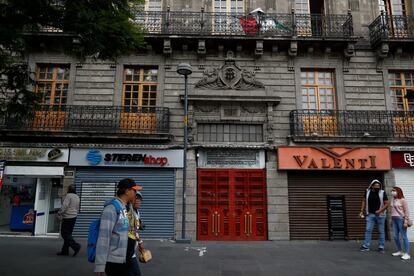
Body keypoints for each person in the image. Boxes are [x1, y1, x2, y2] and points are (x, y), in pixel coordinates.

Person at [95, 178, 141, 276]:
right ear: (127, 191)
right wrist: (100, 266)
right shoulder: (111, 209)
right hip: (114, 262)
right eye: (134, 190)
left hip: (126, 259)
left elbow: (128, 231)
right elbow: (103, 238)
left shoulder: (126, 208)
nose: (136, 193)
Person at [359, 179, 389, 253]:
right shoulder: (367, 191)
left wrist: (380, 211)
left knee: (381, 231)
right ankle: (366, 246)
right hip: (370, 214)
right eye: (375, 185)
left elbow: (387, 203)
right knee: (368, 230)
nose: (377, 187)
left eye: (378, 185)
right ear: (372, 186)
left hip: (381, 215)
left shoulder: (382, 192)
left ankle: (381, 247)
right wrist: (361, 211)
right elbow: (363, 201)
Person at [57, 185, 81, 256]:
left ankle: (76, 246)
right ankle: (65, 251)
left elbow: (65, 206)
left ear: (69, 189)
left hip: (67, 217)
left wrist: (60, 212)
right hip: (74, 217)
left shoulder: (69, 196)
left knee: (64, 234)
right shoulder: (77, 197)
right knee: (68, 234)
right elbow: (77, 207)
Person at [127, 191, 145, 276]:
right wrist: (140, 242)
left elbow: (135, 230)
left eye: (139, 199)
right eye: (136, 198)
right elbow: (131, 231)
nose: (138, 201)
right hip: (126, 249)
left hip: (132, 248)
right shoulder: (128, 213)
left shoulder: (137, 212)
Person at [390, 186, 411, 260]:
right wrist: (391, 220)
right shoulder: (393, 199)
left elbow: (406, 211)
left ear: (398, 191)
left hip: (401, 220)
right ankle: (400, 251)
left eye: (394, 190)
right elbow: (392, 211)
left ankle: (407, 253)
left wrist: (405, 221)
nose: (392, 192)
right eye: (392, 190)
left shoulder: (403, 200)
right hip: (394, 220)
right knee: (395, 236)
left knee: (404, 236)